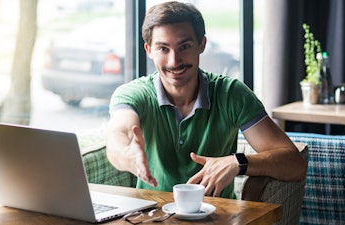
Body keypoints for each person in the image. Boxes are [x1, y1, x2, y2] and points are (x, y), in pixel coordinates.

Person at [106, 1, 306, 198]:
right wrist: (128, 156)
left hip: (218, 216)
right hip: (152, 216)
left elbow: (294, 164)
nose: (174, 61)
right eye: (163, 49)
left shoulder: (231, 94)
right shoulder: (133, 94)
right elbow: (118, 135)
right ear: (149, 50)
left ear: (202, 45)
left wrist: (238, 162)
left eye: (184, 46)